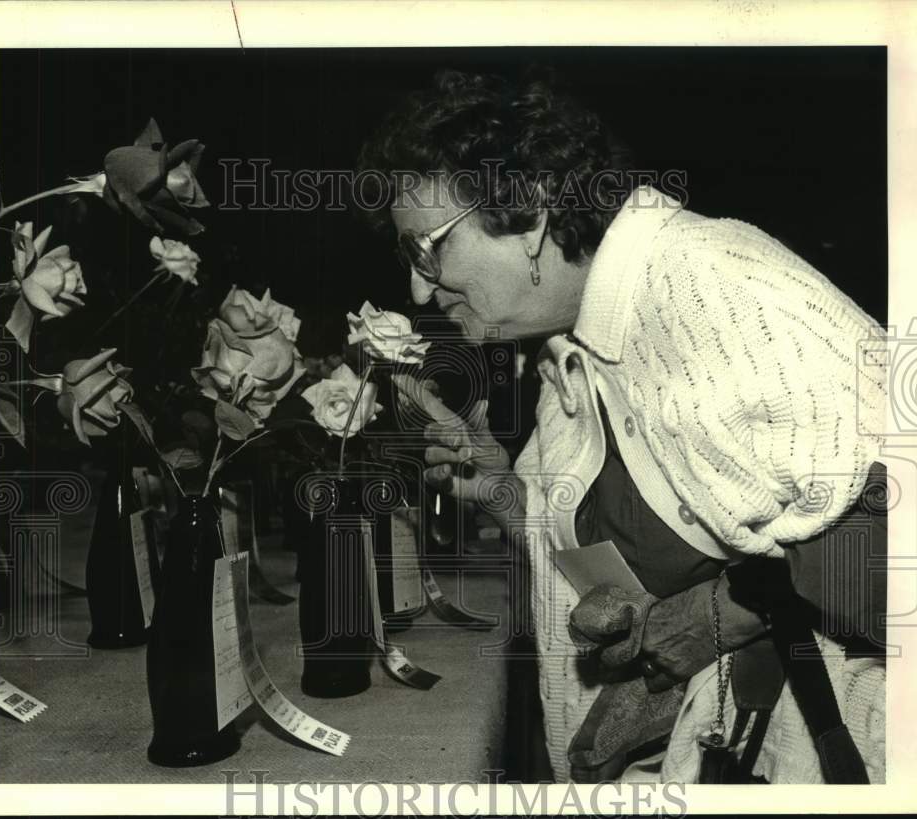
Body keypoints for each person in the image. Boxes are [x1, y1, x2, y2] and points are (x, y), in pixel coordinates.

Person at [358, 68, 888, 784]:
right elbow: (628, 557)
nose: (418, 286)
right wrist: (506, 495)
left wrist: (724, 614)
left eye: (429, 246)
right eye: (407, 255)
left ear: (530, 209)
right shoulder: (568, 345)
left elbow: (900, 531)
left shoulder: (713, 282)